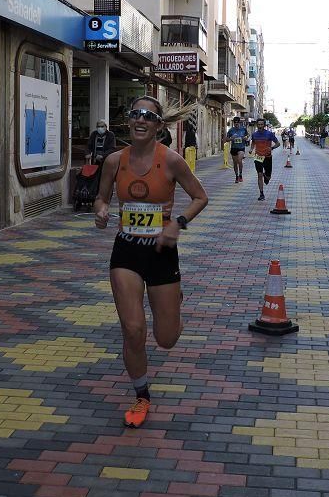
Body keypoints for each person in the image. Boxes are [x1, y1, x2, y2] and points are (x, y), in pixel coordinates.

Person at [94, 96, 208, 428]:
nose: (140, 120)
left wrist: (178, 223)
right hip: (126, 250)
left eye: (148, 116)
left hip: (161, 252)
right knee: (133, 330)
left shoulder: (171, 161)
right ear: (129, 121)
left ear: (159, 125)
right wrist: (100, 209)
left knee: (166, 338)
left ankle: (174, 306)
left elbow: (200, 197)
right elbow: (102, 196)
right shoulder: (115, 161)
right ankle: (141, 394)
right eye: (135, 114)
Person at [249, 117, 281, 201]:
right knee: (259, 174)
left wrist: (272, 148)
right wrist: (251, 149)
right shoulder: (254, 134)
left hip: (267, 157)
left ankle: (265, 176)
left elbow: (278, 143)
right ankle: (261, 193)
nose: (260, 126)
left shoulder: (269, 134)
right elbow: (253, 143)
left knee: (268, 177)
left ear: (264, 125)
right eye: (258, 124)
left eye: (261, 124)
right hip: (258, 157)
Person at [224, 117, 249, 183]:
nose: (236, 124)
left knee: (239, 160)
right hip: (234, 148)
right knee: (235, 163)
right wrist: (231, 139)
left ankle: (240, 174)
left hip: (241, 148)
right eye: (235, 122)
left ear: (239, 123)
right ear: (233, 123)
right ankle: (237, 176)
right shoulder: (231, 130)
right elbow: (226, 139)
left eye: (237, 122)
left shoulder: (243, 129)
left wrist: (246, 138)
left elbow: (247, 136)